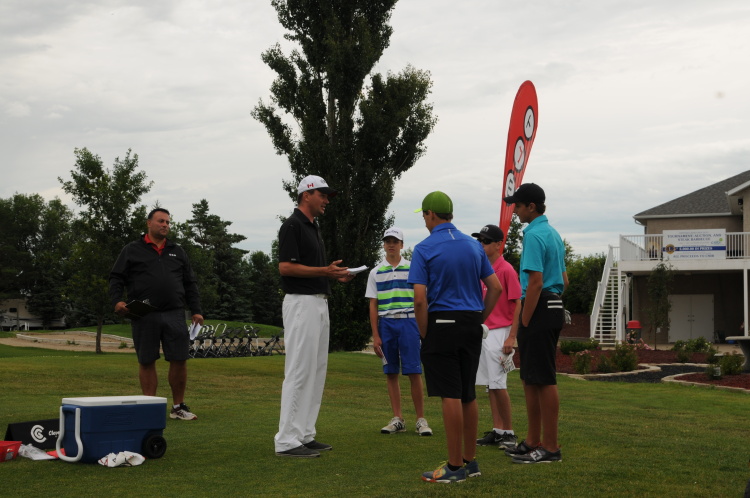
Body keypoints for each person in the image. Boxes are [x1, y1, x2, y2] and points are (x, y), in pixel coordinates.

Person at [408, 191, 502, 483]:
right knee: (467, 393)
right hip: (471, 322)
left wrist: (425, 333)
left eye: (424, 215)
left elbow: (419, 300)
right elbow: (495, 288)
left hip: (442, 323)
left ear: (431, 214)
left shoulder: (424, 248)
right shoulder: (474, 246)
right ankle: (470, 462)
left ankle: (454, 466)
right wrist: (479, 319)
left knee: (450, 394)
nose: (424, 221)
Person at [274, 175, 356, 458]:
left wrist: (333, 275)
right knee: (299, 370)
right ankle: (287, 440)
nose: (326, 200)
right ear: (306, 194)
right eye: (323, 194)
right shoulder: (292, 225)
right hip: (301, 304)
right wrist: (324, 271)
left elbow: (312, 270)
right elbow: (285, 268)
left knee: (316, 370)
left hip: (318, 302)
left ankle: (304, 433)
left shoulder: (312, 227)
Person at [109, 207, 204, 421]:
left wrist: (196, 310)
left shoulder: (177, 251)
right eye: (161, 221)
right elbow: (116, 278)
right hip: (144, 313)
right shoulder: (132, 250)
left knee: (179, 359)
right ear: (149, 223)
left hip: (174, 313)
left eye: (168, 222)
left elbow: (190, 283)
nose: (165, 225)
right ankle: (149, 408)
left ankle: (178, 407)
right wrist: (117, 301)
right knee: (147, 360)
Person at [501, 183, 568, 464]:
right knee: (531, 378)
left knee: (543, 378)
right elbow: (564, 280)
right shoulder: (553, 233)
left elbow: (536, 282)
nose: (514, 210)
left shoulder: (533, 235)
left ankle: (550, 448)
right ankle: (532, 441)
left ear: (531, 206)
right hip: (552, 305)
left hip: (539, 307)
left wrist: (525, 319)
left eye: (517, 205)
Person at [365, 227, 432, 437]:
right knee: (391, 372)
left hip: (409, 322)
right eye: (388, 241)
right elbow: (373, 305)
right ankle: (398, 418)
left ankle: (420, 419)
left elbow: (423, 299)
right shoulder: (375, 272)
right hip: (386, 324)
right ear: (384, 244)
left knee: (414, 371)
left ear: (402, 245)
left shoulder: (413, 268)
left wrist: (423, 328)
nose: (391, 245)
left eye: (395, 241)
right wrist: (376, 335)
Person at [471, 224, 522, 450]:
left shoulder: (506, 269)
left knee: (499, 384)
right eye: (479, 240)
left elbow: (518, 303)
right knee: (490, 385)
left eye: (486, 241)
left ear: (498, 244)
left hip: (500, 332)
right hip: (485, 331)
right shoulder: (481, 268)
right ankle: (498, 430)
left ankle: (509, 432)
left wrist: (511, 337)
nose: (481, 244)